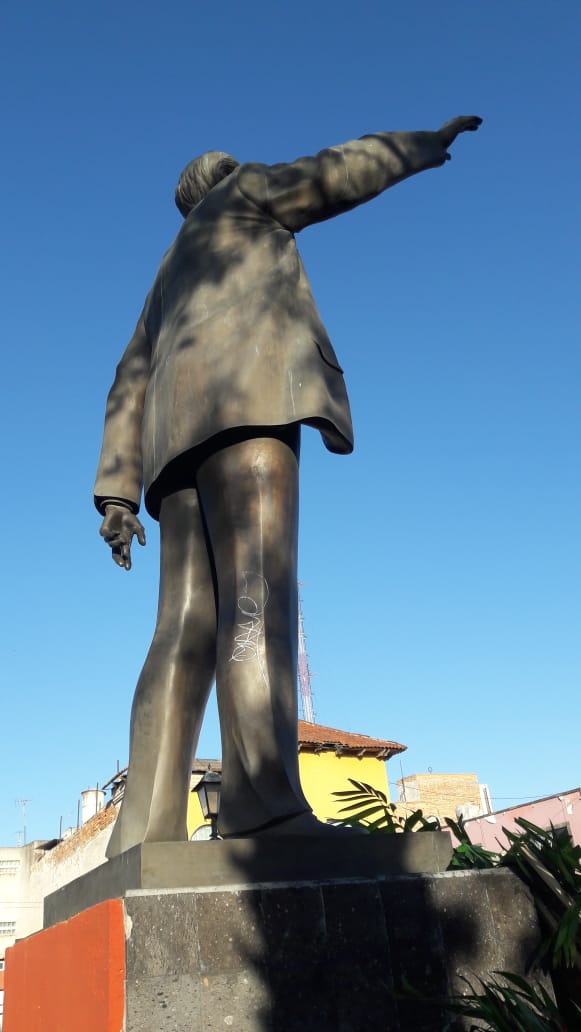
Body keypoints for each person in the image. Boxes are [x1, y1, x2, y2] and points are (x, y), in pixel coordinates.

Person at [95, 116, 482, 856]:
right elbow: (332, 173)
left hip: (170, 451)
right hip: (250, 403)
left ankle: (139, 830)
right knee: (256, 594)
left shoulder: (167, 270)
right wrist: (421, 145)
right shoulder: (245, 194)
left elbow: (128, 377)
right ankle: (262, 803)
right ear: (220, 177)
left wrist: (117, 491)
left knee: (181, 625)